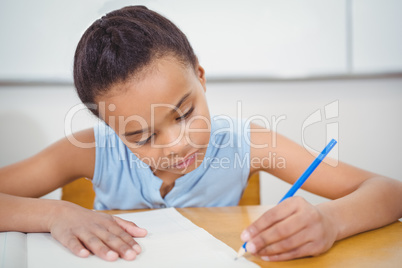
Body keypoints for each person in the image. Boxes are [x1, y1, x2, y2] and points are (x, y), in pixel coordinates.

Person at [0, 5, 401, 263]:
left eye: (185, 113)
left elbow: (389, 190)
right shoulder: (88, 149)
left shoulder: (248, 144)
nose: (177, 144)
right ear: (110, 130)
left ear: (201, 78)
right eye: (140, 137)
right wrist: (53, 213)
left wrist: (329, 221)